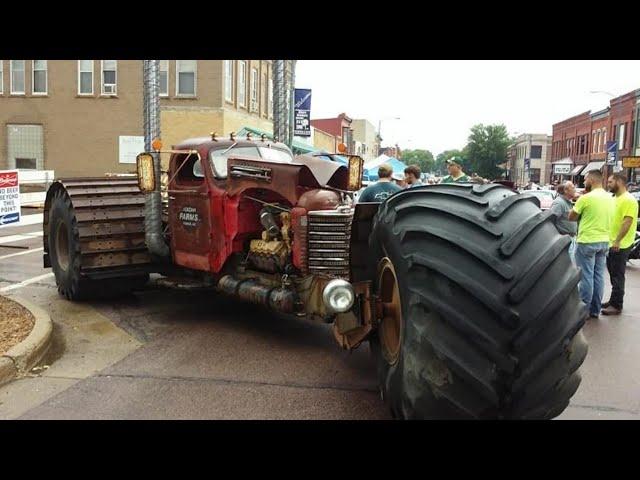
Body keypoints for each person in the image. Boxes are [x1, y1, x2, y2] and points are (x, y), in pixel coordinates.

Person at [568, 170, 613, 320]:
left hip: (587, 240)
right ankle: (595, 310)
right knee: (598, 276)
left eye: (586, 179)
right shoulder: (610, 198)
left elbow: (571, 217)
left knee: (586, 276)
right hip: (604, 240)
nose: (584, 181)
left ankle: (583, 311)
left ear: (592, 181)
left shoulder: (586, 198)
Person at [601, 173, 639, 315]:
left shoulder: (629, 200)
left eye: (610, 182)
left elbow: (627, 222)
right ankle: (613, 300)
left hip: (621, 244)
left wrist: (617, 240)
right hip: (611, 242)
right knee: (612, 273)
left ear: (619, 182)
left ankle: (617, 305)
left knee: (617, 275)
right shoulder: (615, 198)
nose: (608, 184)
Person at [550, 181, 578, 262]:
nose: (575, 189)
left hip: (571, 239)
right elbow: (551, 220)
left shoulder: (568, 202)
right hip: (565, 239)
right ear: (566, 190)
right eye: (573, 187)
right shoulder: (559, 203)